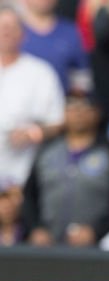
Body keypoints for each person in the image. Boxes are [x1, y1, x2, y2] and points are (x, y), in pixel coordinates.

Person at [21, 85, 109, 248]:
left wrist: (97, 231)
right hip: (47, 245)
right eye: (72, 106)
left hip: (97, 247)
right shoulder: (47, 150)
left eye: (85, 106)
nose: (78, 112)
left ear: (97, 112)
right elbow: (29, 195)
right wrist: (35, 229)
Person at [0, 5, 65, 187]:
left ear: (23, 34)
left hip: (24, 173)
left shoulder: (40, 72)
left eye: (11, 28)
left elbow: (58, 121)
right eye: (1, 27)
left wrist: (32, 133)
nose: (5, 33)